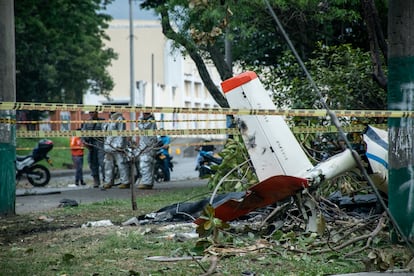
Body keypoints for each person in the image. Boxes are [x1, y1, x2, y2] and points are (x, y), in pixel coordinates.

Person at [102, 112, 130, 190]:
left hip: (117, 146)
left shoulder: (120, 119)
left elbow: (121, 133)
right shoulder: (110, 120)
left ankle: (125, 181)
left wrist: (119, 145)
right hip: (108, 146)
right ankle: (108, 182)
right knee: (108, 164)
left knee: (121, 163)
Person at [81, 111, 105, 188]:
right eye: (90, 112)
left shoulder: (102, 121)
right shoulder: (87, 122)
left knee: (103, 163)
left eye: (93, 112)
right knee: (92, 162)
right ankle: (96, 180)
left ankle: (106, 180)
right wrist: (85, 142)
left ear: (97, 113)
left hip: (101, 144)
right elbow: (83, 133)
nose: (91, 114)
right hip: (91, 145)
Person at [136, 112, 158, 189]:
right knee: (148, 163)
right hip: (147, 145)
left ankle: (146, 182)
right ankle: (148, 182)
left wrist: (139, 120)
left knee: (145, 163)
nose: (143, 115)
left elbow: (142, 128)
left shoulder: (150, 122)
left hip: (148, 145)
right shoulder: (150, 121)